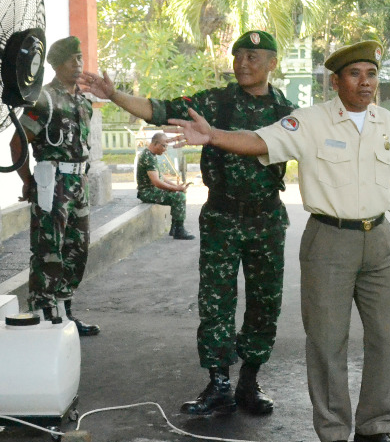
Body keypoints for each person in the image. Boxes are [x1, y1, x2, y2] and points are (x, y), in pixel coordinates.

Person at [166, 40, 390, 442]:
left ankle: (375, 429)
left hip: (378, 241)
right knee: (328, 341)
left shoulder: (385, 122)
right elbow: (259, 142)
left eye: (371, 74)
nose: (365, 82)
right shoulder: (310, 121)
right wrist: (214, 136)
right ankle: (333, 433)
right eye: (355, 74)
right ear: (336, 81)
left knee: (383, 337)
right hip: (329, 241)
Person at [78, 30, 295, 418]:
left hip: (266, 219)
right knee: (216, 301)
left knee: (265, 302)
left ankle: (249, 380)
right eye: (238, 56)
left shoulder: (287, 111)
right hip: (222, 217)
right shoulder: (216, 101)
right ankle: (219, 383)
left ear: (272, 64)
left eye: (253, 57)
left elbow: (322, 155)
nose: (243, 64)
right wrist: (113, 95)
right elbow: (157, 109)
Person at [11, 36, 99, 336]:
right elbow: (19, 142)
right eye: (72, 59)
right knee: (49, 250)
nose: (78, 64)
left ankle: (65, 310)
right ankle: (44, 311)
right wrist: (28, 181)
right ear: (57, 64)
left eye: (80, 58)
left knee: (78, 249)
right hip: (54, 182)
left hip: (78, 183)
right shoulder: (44, 99)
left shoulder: (82, 100)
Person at [136, 132, 195, 240]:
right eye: (164, 146)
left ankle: (175, 227)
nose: (165, 149)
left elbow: (161, 177)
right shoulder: (148, 157)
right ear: (156, 144)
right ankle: (179, 230)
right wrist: (177, 189)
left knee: (178, 193)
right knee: (179, 196)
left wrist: (176, 186)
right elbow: (156, 182)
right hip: (147, 192)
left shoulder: (150, 155)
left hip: (152, 190)